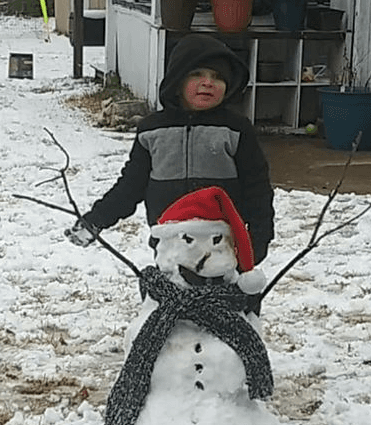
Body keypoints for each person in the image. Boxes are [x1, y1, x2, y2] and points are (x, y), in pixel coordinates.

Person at [65, 33, 274, 265]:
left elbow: (257, 188)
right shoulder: (152, 130)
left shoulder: (235, 129)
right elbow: (130, 186)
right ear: (178, 80)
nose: (208, 82)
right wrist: (96, 220)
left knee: (218, 287)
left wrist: (258, 239)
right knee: (169, 287)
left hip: (220, 245)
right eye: (197, 74)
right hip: (169, 243)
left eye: (218, 77)